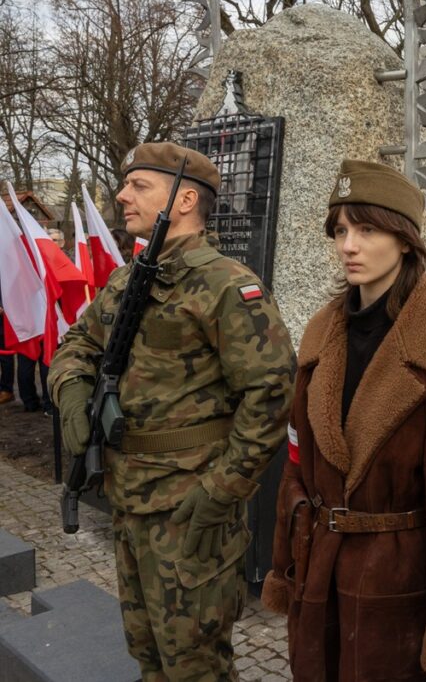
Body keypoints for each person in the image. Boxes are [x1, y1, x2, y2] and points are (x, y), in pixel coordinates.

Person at [48, 142, 296, 680]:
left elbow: (272, 393)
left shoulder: (226, 285)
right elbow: (76, 346)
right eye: (126, 183)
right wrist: (71, 394)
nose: (121, 194)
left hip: (190, 508)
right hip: (129, 499)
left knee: (196, 667)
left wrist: (222, 490)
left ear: (184, 200)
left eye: (139, 185)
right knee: (148, 657)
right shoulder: (126, 280)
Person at [260, 159, 426, 681]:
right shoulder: (320, 336)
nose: (349, 245)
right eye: (342, 230)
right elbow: (297, 464)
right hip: (319, 578)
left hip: (400, 594)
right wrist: (287, 565)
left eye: (368, 229)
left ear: (404, 240)